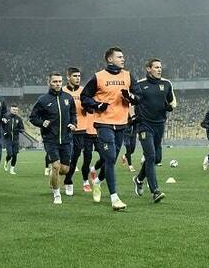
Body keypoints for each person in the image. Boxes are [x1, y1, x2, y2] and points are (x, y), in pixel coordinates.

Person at [81, 46, 141, 211]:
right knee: (110, 158)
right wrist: (97, 104)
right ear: (110, 59)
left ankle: (97, 182)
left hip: (122, 124)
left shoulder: (128, 76)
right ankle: (115, 198)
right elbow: (84, 97)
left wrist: (130, 96)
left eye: (123, 57)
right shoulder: (98, 77)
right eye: (119, 57)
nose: (123, 59)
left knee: (111, 160)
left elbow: (139, 96)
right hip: (104, 123)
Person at [132, 59, 176, 203]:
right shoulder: (140, 84)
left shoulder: (167, 84)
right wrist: (133, 116)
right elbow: (132, 102)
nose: (159, 69)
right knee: (150, 156)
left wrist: (171, 106)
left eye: (160, 67)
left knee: (157, 158)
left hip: (159, 125)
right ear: (148, 68)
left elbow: (173, 101)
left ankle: (139, 179)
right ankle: (155, 191)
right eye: (156, 67)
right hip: (144, 125)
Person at [29, 72, 77, 205]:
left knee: (65, 170)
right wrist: (42, 122)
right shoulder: (43, 100)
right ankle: (57, 194)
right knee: (56, 166)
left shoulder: (68, 98)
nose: (58, 84)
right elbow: (33, 117)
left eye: (59, 81)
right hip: (50, 139)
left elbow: (73, 113)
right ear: (49, 82)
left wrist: (74, 123)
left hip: (66, 138)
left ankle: (53, 173)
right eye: (55, 81)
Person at [62, 67, 91, 196]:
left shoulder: (84, 91)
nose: (78, 78)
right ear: (68, 77)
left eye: (79, 76)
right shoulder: (62, 91)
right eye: (75, 76)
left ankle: (68, 181)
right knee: (65, 158)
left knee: (74, 157)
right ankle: (56, 174)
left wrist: (88, 107)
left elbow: (90, 107)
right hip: (66, 130)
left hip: (81, 129)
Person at [3, 105, 24, 174]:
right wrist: (4, 132)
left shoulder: (19, 119)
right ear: (10, 110)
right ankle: (6, 161)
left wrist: (19, 130)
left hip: (15, 139)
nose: (15, 111)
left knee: (15, 155)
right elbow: (2, 126)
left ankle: (12, 169)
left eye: (16, 110)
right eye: (13, 109)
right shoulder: (6, 117)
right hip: (8, 139)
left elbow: (22, 129)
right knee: (10, 154)